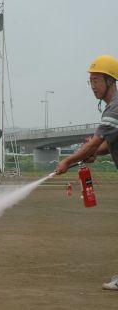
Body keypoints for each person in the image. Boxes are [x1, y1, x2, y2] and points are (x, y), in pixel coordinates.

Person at [55, 55, 118, 290]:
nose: (92, 86)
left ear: (110, 81)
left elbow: (95, 142)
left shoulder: (115, 107)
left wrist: (68, 160)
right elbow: (105, 144)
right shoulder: (113, 108)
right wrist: (95, 154)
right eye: (90, 81)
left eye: (96, 80)